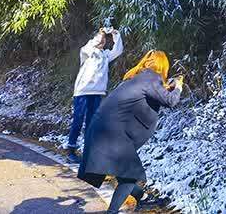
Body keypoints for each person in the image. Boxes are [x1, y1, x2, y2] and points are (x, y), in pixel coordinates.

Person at [78, 50, 184, 213]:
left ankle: (142, 198)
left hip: (101, 129)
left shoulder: (136, 78)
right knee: (130, 176)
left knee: (125, 174)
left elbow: (155, 93)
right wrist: (178, 87)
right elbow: (170, 101)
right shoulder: (151, 77)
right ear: (163, 66)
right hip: (113, 133)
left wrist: (167, 86)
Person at [64, 27, 124, 162]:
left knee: (91, 123)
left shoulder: (105, 55)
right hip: (83, 91)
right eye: (99, 39)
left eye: (104, 40)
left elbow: (118, 50)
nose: (102, 41)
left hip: (97, 92)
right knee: (78, 120)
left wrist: (114, 34)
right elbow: (90, 45)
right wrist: (101, 33)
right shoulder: (87, 52)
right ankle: (71, 151)